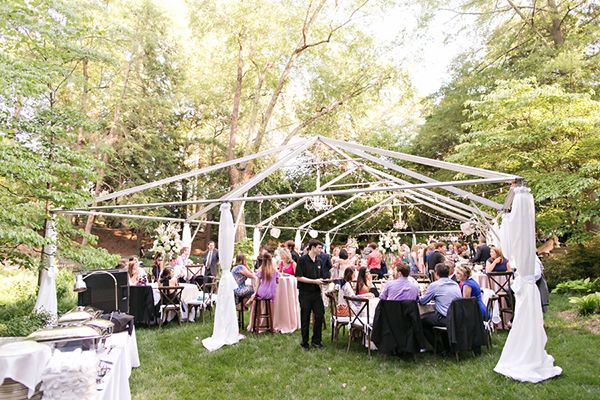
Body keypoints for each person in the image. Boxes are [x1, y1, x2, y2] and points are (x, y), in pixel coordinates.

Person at [295, 239, 328, 350]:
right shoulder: (302, 260)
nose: (321, 250)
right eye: (319, 247)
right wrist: (314, 281)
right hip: (305, 293)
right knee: (305, 317)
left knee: (320, 315)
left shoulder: (319, 261)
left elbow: (320, 276)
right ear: (312, 247)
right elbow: (299, 277)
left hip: (316, 293)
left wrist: (325, 281)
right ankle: (305, 343)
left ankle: (316, 341)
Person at [419, 262, 462, 347]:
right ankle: (445, 344)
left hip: (446, 318)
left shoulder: (435, 285)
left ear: (436, 273)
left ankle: (438, 347)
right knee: (432, 316)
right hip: (458, 317)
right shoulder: (455, 284)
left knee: (421, 321)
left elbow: (423, 301)